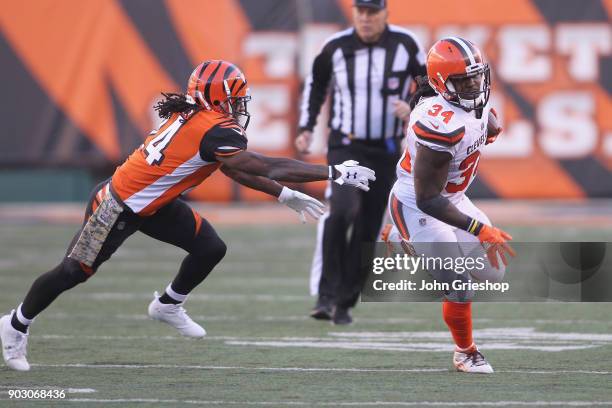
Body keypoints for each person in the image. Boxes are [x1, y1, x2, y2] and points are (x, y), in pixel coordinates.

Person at [0, 60, 376, 371]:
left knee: (210, 247)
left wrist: (284, 195)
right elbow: (262, 164)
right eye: (236, 97)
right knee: (72, 272)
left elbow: (233, 169)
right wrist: (334, 172)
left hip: (155, 203)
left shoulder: (197, 117)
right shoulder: (212, 129)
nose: (241, 103)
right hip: (117, 205)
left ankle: (167, 304)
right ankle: (15, 325)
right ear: (220, 98)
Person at [385, 37, 513, 373]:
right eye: (464, 80)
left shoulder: (471, 101)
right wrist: (480, 228)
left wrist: (489, 129)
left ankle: (404, 241)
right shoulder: (438, 125)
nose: (474, 84)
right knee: (458, 284)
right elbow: (429, 198)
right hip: (419, 205)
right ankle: (465, 352)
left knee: (493, 271)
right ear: (444, 84)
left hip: (452, 198)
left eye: (477, 76)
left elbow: (479, 124)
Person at [296, 0, 426, 324]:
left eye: (372, 12)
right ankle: (326, 296)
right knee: (342, 210)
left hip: (384, 149)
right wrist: (306, 126)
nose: (366, 18)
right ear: (354, 13)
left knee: (368, 228)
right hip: (346, 145)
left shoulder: (406, 44)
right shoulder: (335, 47)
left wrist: (413, 108)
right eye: (361, 11)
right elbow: (315, 86)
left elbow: (428, 87)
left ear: (385, 14)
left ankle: (345, 302)